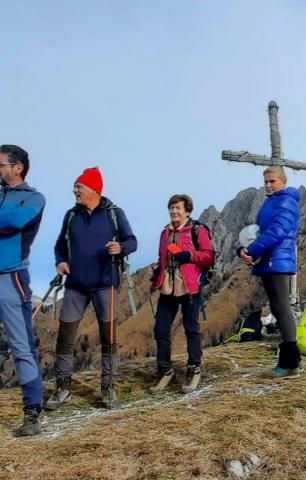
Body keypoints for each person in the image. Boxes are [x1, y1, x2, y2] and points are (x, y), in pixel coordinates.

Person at [45, 167, 137, 410]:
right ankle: (63, 388)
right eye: (75, 186)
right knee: (65, 338)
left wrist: (121, 248)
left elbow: (132, 241)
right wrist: (61, 261)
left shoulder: (115, 214)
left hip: (105, 285)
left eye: (79, 186)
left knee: (109, 337)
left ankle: (108, 389)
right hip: (75, 286)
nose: (75, 190)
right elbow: (59, 246)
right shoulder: (70, 216)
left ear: (94, 190)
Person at [239, 166, 302, 379]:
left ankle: (291, 363)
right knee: (277, 307)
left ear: (282, 181)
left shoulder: (285, 202)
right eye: (265, 181)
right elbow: (256, 231)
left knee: (282, 307)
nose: (268, 185)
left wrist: (252, 250)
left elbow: (277, 232)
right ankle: (289, 362)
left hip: (277, 260)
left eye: (272, 181)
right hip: (269, 260)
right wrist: (243, 250)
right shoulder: (270, 202)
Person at [0, 144, 46, 436]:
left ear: (18, 168)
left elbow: (14, 221)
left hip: (11, 278)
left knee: (20, 346)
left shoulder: (33, 198)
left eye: (1, 164)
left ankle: (33, 413)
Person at [149, 194, 214, 394]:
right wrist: (156, 271)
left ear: (187, 210)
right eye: (171, 208)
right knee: (160, 329)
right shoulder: (164, 233)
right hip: (168, 286)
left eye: (177, 208)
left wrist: (190, 256)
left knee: (191, 328)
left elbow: (209, 256)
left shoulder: (197, 230)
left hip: (190, 286)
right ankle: (165, 371)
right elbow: (162, 259)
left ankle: (194, 369)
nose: (173, 211)